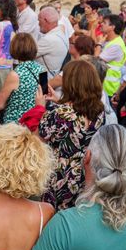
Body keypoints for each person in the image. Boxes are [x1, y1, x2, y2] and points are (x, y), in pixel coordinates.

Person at [37, 60, 106, 210]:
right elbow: (77, 115)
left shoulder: (59, 114)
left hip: (59, 175)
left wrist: (39, 108)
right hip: (86, 174)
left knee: (52, 218)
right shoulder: (100, 111)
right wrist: (60, 102)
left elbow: (39, 138)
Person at [0, 33, 41, 125]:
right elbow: (44, 97)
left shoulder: (15, 75)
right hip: (34, 123)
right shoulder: (42, 70)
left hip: (15, 125)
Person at [96, 13, 126, 97]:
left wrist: (99, 44)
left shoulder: (116, 45)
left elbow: (95, 61)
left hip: (108, 89)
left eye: (104, 23)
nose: (101, 24)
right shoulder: (107, 40)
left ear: (112, 27)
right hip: (102, 86)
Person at [35, 6, 67, 85]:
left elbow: (26, 55)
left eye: (39, 20)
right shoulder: (61, 32)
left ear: (46, 20)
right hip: (52, 74)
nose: (38, 24)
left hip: (45, 79)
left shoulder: (48, 39)